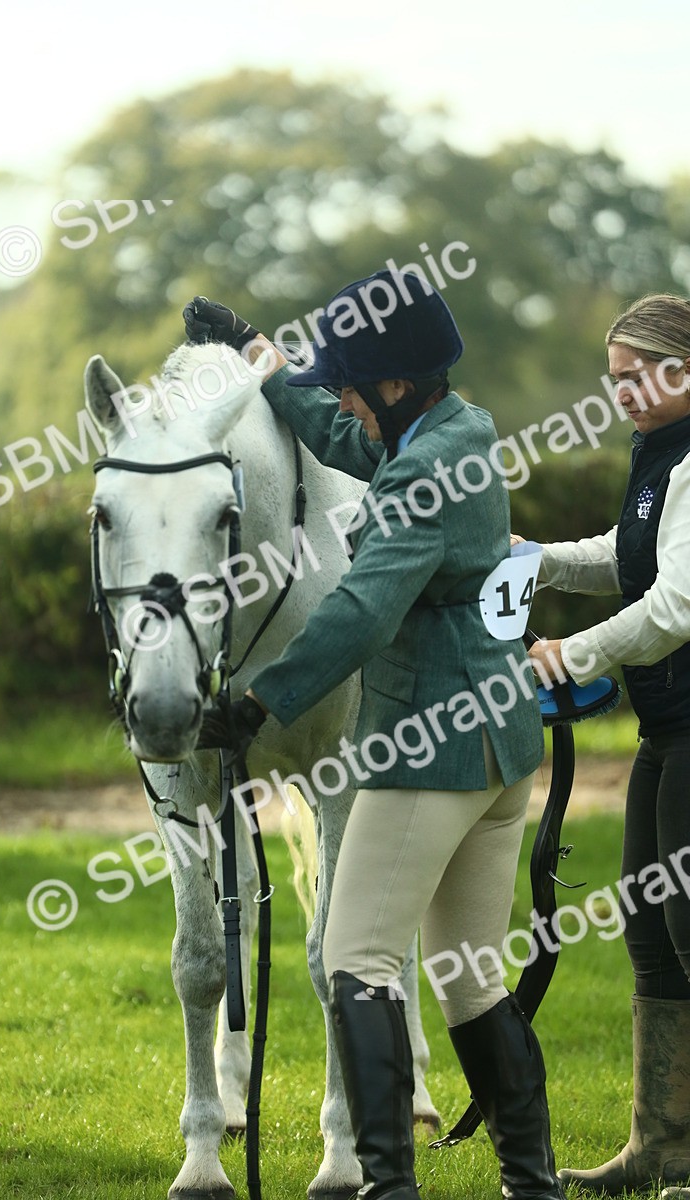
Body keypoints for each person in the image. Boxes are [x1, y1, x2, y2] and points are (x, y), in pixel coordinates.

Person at [184, 271, 567, 1200]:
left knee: (354, 960)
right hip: (500, 750)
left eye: (353, 377)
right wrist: (259, 357)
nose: (342, 392)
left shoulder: (426, 474)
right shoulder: (451, 430)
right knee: (470, 983)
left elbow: (360, 613)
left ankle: (382, 1184)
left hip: (431, 752)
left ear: (396, 381)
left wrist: (258, 703)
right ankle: (531, 1184)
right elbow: (337, 431)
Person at [523, 294, 690, 1199]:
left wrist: (569, 652)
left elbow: (676, 607)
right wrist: (541, 558)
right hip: (667, 729)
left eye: (641, 376)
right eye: (615, 379)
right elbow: (635, 559)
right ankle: (659, 1148)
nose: (624, 394)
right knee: (652, 935)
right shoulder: (660, 456)